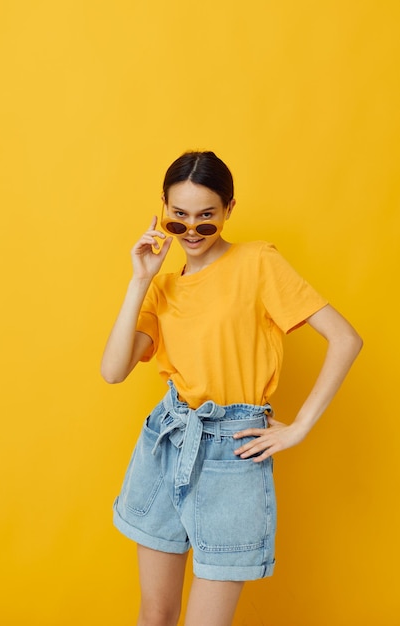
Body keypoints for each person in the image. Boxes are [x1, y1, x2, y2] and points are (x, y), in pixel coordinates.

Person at [101, 151, 362, 626]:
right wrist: (140, 279)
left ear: (228, 210)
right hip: (168, 440)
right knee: (154, 614)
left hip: (233, 452)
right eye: (178, 218)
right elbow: (113, 370)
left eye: (207, 218)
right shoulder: (161, 288)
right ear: (163, 209)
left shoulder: (258, 262)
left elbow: (346, 338)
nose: (193, 232)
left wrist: (300, 426)